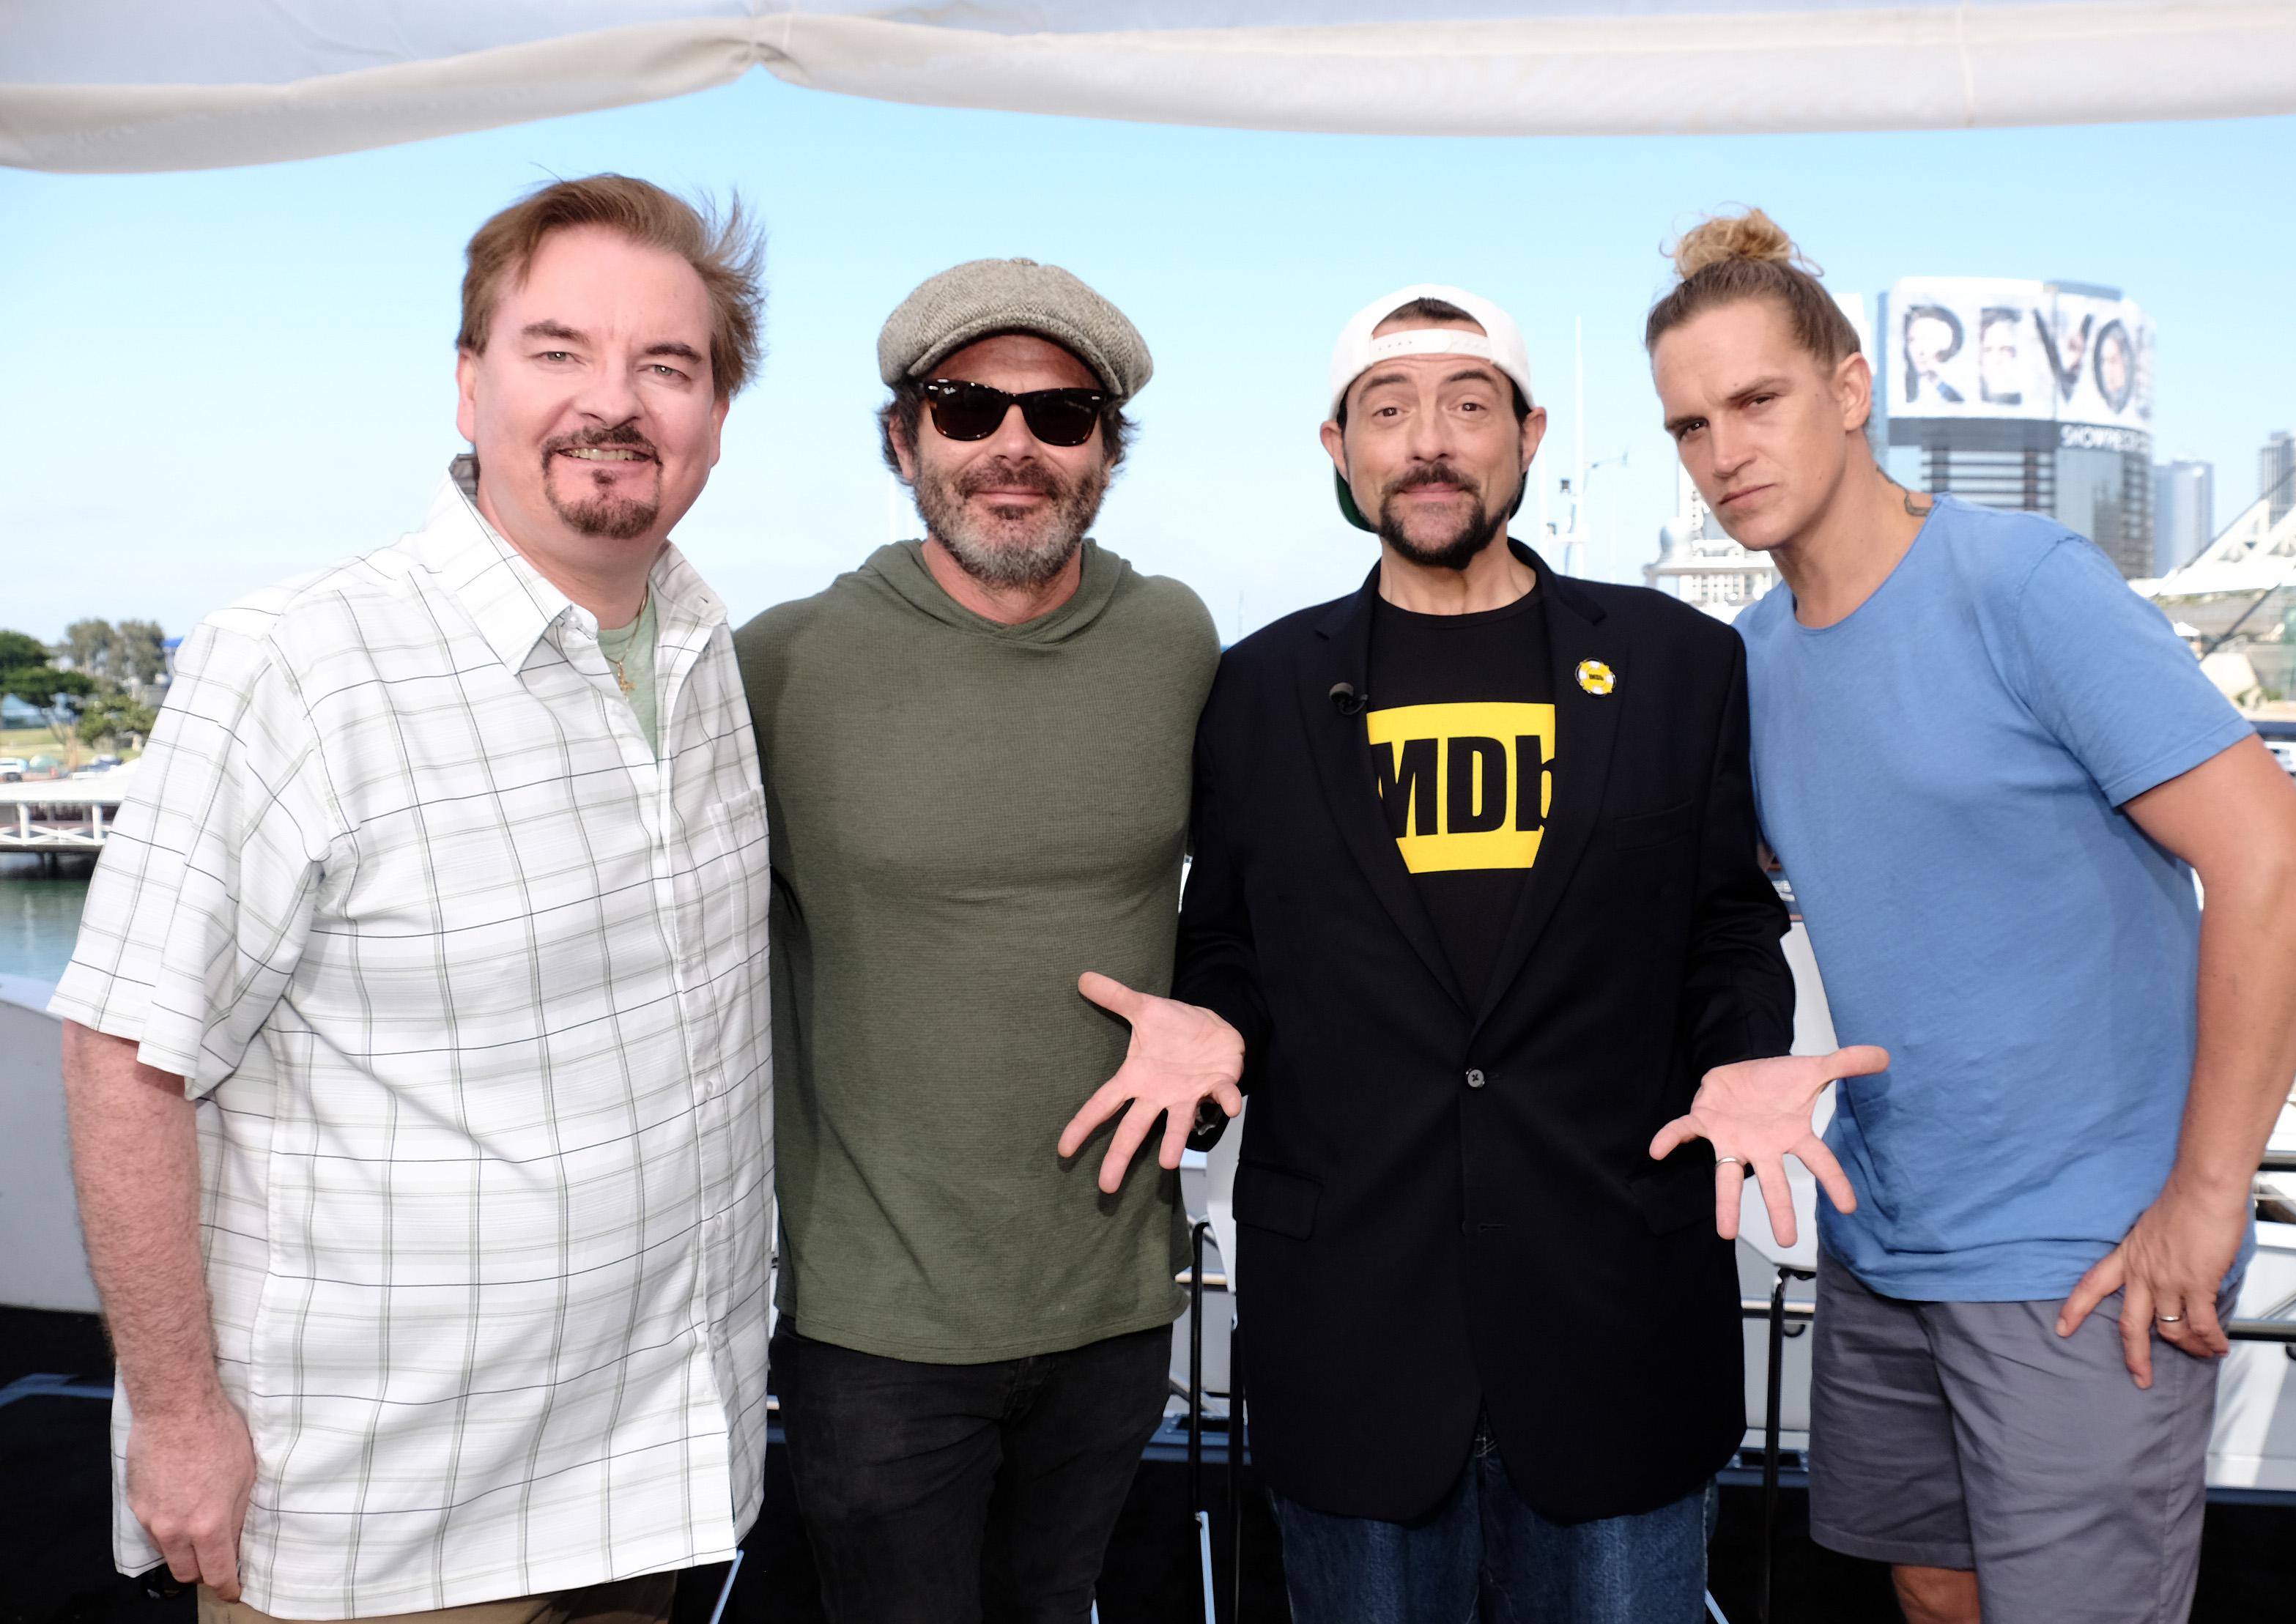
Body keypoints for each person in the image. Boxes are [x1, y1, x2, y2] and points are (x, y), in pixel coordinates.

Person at [1067, 283, 1878, 1620]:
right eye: (1387, 411)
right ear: (1339, 449)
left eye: (1466, 404)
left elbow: (1726, 921)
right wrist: (1217, 1015)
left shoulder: (1680, 665)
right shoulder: (1259, 689)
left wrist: (1741, 1054)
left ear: (1529, 433)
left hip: (1614, 1315)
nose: (1427, 440)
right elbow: (1233, 941)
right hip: (1350, 1329)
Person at [52, 175, 775, 1622]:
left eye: (668, 365)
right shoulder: (299, 660)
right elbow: (123, 1056)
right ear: (468, 384)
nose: (612, 402)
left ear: (714, 417)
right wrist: (179, 1417)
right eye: (558, 350)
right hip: (379, 1524)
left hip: (647, 1489)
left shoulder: (705, 653)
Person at [1647, 207, 2296, 1624]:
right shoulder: (1751, 660)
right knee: (1931, 1589)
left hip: (2086, 1253)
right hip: (1887, 1236)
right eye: (1688, 425)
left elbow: (2285, 867)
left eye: (1757, 401)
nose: (1725, 452)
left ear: (1849, 391)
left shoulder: (2019, 584)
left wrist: (2205, 1202)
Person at [734, 257, 1220, 1624]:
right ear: (903, 440)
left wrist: (1219, 1006)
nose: (1013, 444)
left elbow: (1262, 898)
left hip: (1116, 1298)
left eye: (1061, 417)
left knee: (1058, 1606)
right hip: (876, 1320)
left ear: (1106, 456)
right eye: (964, 407)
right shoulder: (784, 662)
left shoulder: (1175, 638)